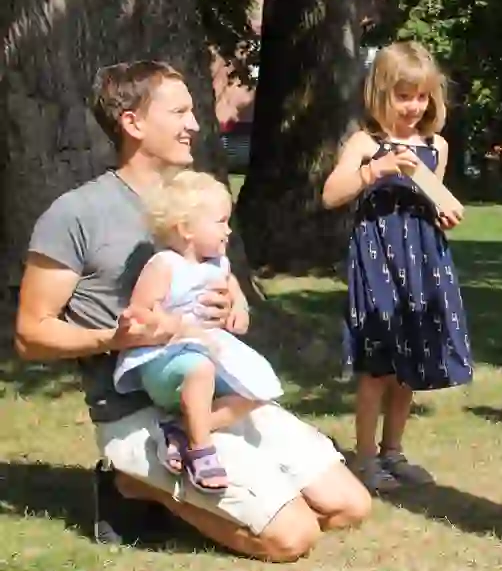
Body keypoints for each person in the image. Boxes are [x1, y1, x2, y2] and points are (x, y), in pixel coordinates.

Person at [14, 60, 371, 561]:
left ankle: (167, 485)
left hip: (215, 399)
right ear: (133, 122)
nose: (195, 125)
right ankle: (133, 481)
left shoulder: (197, 200)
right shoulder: (76, 214)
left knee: (350, 507)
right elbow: (30, 335)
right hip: (140, 410)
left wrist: (231, 306)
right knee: (294, 537)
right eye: (179, 112)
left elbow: (225, 290)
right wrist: (114, 339)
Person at [321, 41, 472, 494]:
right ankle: (365, 458)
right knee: (378, 364)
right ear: (380, 93)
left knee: (410, 360)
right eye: (404, 96)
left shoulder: (436, 146)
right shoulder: (366, 143)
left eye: (422, 96)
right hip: (378, 260)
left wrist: (442, 215)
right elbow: (331, 195)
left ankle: (393, 452)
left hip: (423, 261)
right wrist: (377, 169)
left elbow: (432, 199)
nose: (414, 107)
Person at [113, 170, 284, 494]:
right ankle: (201, 449)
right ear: (186, 229)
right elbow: (140, 313)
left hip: (207, 350)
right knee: (200, 368)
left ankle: (179, 431)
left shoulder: (219, 264)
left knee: (257, 392)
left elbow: (233, 289)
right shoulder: (164, 265)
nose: (228, 230)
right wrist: (180, 327)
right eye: (221, 221)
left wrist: (239, 308)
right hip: (164, 357)